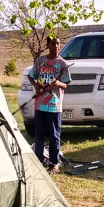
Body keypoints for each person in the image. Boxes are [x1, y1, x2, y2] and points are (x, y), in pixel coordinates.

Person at [27, 36, 71, 172]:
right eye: (53, 43)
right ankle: (38, 161)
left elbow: (66, 84)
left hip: (54, 105)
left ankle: (54, 163)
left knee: (54, 135)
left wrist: (57, 83)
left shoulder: (62, 63)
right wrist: (36, 86)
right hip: (40, 104)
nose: (56, 46)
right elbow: (31, 76)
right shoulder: (40, 61)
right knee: (39, 134)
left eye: (58, 43)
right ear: (47, 45)